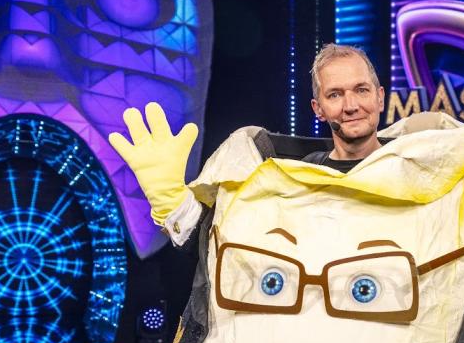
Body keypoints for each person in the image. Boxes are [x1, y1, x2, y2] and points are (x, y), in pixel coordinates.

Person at [108, 43, 387, 246]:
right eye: (335, 95)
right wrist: (171, 200)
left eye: (361, 90)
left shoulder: (409, 165)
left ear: (380, 98)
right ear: (318, 109)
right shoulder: (293, 180)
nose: (351, 105)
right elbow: (228, 248)